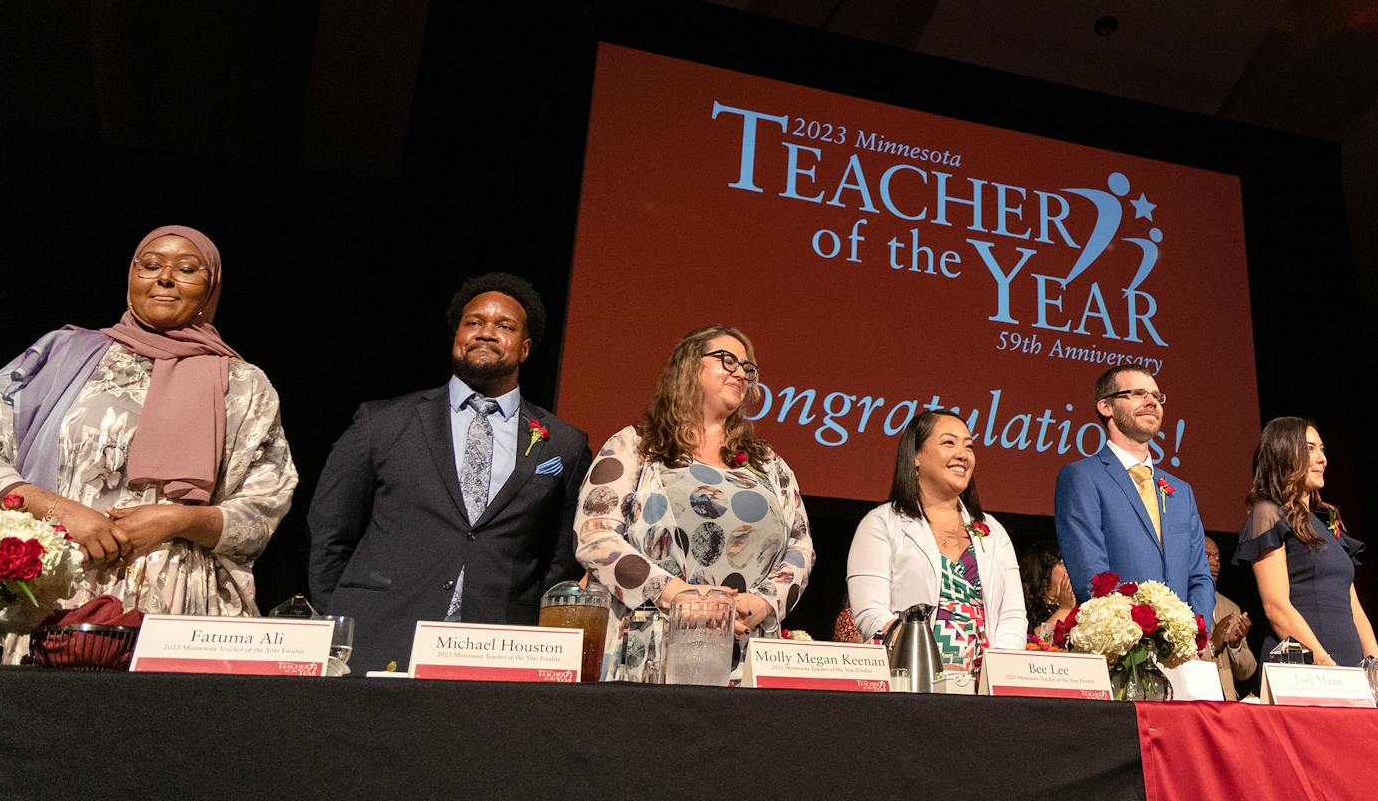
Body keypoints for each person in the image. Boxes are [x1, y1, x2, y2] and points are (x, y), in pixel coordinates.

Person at [0, 226, 296, 646]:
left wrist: (177, 519)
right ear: (132, 277)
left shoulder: (242, 386)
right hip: (55, 589)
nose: (165, 278)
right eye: (150, 266)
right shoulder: (62, 355)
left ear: (211, 288)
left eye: (187, 270)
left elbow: (264, 506)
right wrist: (60, 510)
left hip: (175, 606)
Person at [309, 273, 590, 672]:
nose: (486, 333)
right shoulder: (382, 423)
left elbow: (560, 560)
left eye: (505, 326)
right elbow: (330, 531)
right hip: (379, 635)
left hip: (497, 648)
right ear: (457, 335)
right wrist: (343, 617)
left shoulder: (564, 444)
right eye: (474, 322)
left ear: (525, 348)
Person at [573, 325, 813, 678]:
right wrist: (681, 596)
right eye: (727, 360)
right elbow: (595, 535)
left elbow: (800, 544)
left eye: (747, 368)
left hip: (742, 652)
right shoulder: (635, 446)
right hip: (651, 649)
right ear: (688, 365)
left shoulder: (767, 464)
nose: (740, 374)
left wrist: (763, 601)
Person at [846, 410, 1027, 675]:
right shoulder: (881, 523)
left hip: (983, 682)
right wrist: (927, 662)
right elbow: (871, 613)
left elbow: (1012, 615)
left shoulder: (993, 532)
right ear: (916, 456)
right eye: (949, 443)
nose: (963, 454)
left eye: (969, 446)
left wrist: (996, 671)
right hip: (911, 676)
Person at [1053, 364, 1214, 623]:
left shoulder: (1181, 491)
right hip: (1122, 640)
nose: (1152, 402)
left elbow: (1199, 577)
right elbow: (1091, 576)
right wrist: (1144, 632)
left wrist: (1192, 631)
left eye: (1157, 396)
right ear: (1106, 406)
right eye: (1138, 394)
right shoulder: (1082, 477)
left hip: (1184, 643)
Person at [1235, 417, 1377, 666]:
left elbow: (1355, 608)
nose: (1322, 458)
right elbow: (1276, 607)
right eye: (1309, 448)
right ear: (1283, 453)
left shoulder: (1326, 524)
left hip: (1347, 665)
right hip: (1304, 666)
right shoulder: (1268, 513)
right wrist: (1326, 665)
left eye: (1322, 449)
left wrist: (1376, 666)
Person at [1205, 536, 1256, 699]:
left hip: (1226, 704)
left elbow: (1246, 672)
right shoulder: (1179, 602)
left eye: (1217, 557)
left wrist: (1235, 645)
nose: (1215, 563)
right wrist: (1212, 646)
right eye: (1207, 556)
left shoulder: (1230, 608)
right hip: (1191, 701)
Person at [1019, 539, 1073, 647]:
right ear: (1043, 571)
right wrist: (1064, 610)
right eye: (1062, 563)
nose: (1070, 569)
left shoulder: (1083, 605)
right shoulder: (1025, 608)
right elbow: (1033, 646)